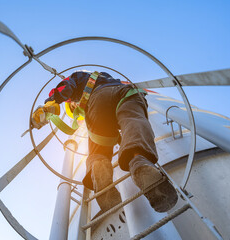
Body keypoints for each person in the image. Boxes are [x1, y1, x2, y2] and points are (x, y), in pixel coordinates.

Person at [32, 70, 178, 213]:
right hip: (126, 92)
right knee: (133, 121)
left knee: (98, 147)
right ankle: (140, 162)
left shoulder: (78, 77)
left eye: (73, 104)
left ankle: (100, 174)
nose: (75, 106)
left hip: (98, 100)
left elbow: (66, 86)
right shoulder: (104, 76)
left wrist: (50, 104)